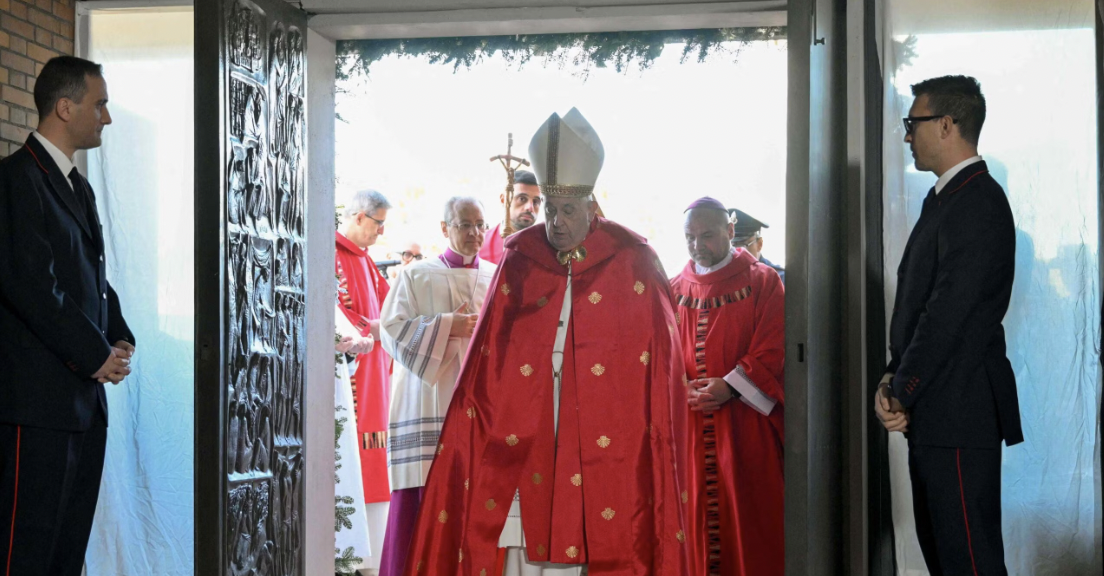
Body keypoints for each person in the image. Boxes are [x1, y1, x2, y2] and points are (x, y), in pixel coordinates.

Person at [401, 108, 689, 576]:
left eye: (567, 210)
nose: (555, 222)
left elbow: (660, 366)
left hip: (611, 432)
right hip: (531, 420)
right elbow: (486, 362)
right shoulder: (521, 257)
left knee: (608, 532)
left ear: (593, 207)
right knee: (521, 543)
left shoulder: (634, 259)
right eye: (550, 209)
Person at [875, 75, 1021, 576]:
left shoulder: (976, 201)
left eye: (913, 124)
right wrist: (893, 378)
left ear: (946, 124)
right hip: (939, 408)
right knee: (946, 558)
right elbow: (921, 313)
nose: (907, 135)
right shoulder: (946, 198)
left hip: (959, 410)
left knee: (969, 563)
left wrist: (902, 390)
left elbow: (948, 317)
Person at [0, 56, 135, 575]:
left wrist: (117, 336)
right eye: (99, 104)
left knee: (66, 551)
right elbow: (33, 286)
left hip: (80, 402)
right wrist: (94, 352)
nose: (106, 117)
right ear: (64, 106)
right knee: (25, 554)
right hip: (35, 406)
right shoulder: (16, 180)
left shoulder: (78, 185)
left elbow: (90, 275)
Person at [378, 196, 497, 576]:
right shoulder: (416, 276)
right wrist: (448, 326)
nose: (474, 233)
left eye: (480, 224)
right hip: (429, 403)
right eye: (464, 224)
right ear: (444, 228)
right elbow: (390, 331)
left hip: (482, 408)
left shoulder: (498, 277)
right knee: (424, 500)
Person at [671, 197, 785, 576]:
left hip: (744, 426)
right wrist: (680, 388)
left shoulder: (762, 281)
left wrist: (730, 386)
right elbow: (658, 355)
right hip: (690, 425)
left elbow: (774, 346)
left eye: (707, 235)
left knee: (749, 523)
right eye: (690, 237)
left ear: (730, 231)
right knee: (694, 522)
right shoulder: (672, 290)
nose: (697, 245)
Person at [336, 189, 395, 553]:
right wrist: (368, 328)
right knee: (353, 460)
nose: (382, 233)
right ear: (359, 217)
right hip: (352, 376)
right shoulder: (332, 255)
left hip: (376, 376)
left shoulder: (365, 260)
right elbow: (335, 313)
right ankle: (350, 549)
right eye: (379, 223)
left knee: (375, 459)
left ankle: (371, 551)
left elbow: (391, 305)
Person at [479, 168, 543, 264]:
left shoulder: (546, 248)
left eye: (536, 202)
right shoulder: (480, 244)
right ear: (503, 199)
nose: (530, 207)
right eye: (522, 199)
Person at [728, 208, 784, 284]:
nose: (737, 253)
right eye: (732, 247)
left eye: (742, 246)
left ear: (759, 244)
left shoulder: (778, 279)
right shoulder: (725, 278)